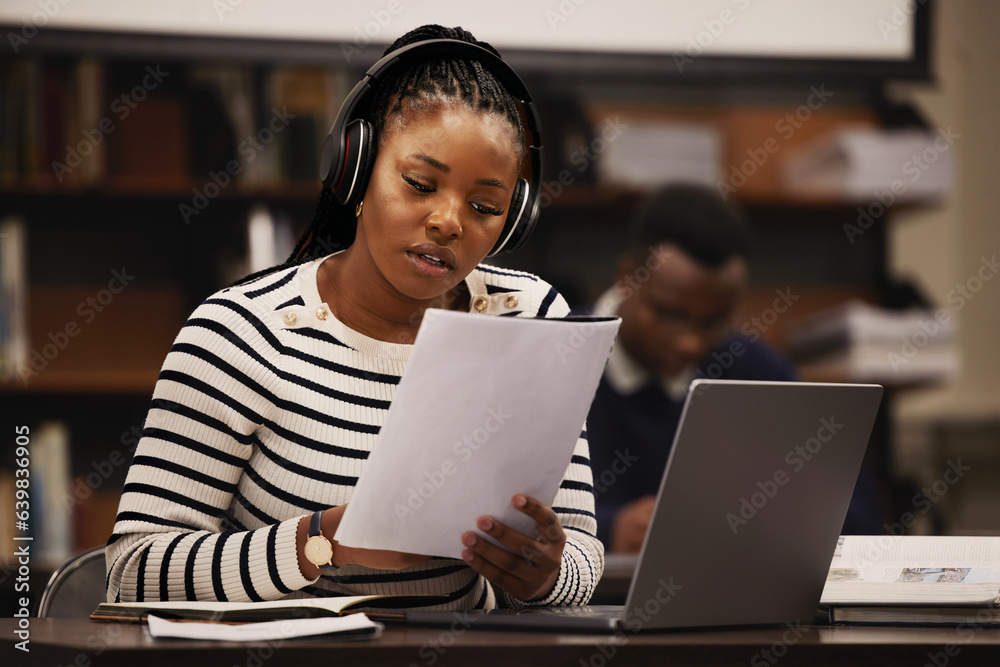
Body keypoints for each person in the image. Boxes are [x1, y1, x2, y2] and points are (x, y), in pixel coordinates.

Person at [106, 25, 602, 610]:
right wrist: (323, 543)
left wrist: (545, 576)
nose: (449, 222)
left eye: (485, 206)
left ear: (512, 220)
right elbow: (135, 570)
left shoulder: (530, 319)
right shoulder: (240, 334)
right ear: (356, 170)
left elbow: (582, 554)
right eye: (420, 184)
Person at [585, 184, 800, 553]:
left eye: (713, 322)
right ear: (627, 279)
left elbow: (851, 516)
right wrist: (605, 531)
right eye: (671, 315)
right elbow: (495, 516)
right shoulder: (556, 353)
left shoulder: (757, 373)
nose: (691, 343)